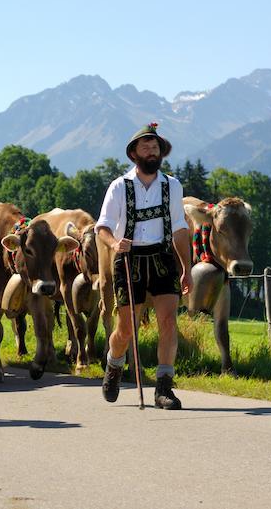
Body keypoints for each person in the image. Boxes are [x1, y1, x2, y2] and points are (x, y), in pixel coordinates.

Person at [96, 123, 193, 410]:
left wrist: (187, 267)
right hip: (130, 259)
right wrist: (114, 244)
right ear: (134, 153)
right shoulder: (119, 187)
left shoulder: (171, 185)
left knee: (168, 321)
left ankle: (164, 387)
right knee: (126, 329)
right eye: (146, 147)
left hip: (162, 258)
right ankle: (114, 366)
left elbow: (179, 228)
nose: (152, 151)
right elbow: (101, 227)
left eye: (155, 147)